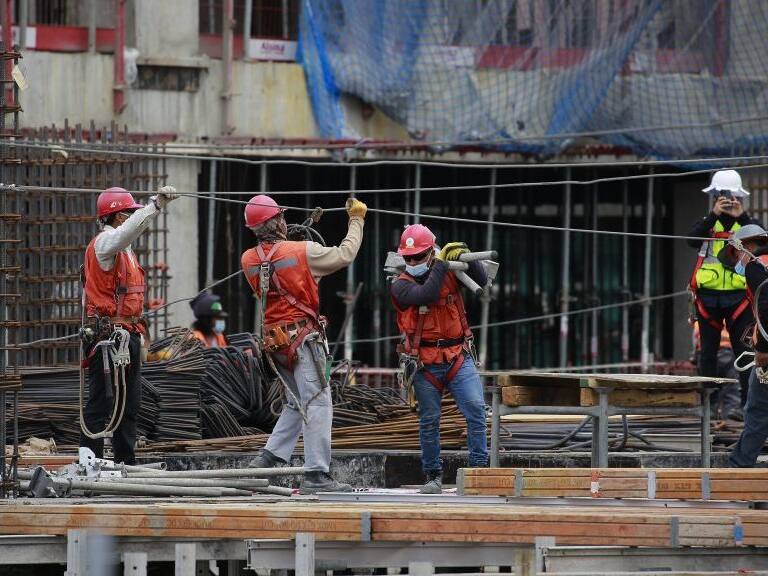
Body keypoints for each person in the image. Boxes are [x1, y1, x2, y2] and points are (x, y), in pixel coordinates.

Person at [241, 194, 366, 494]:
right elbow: (344, 254)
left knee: (297, 401)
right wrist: (357, 220)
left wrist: (290, 245)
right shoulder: (303, 251)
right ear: (278, 221)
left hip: (276, 344)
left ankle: (268, 456)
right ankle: (316, 474)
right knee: (318, 402)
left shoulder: (248, 259)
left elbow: (278, 266)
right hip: (303, 341)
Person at [80, 185, 178, 465]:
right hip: (107, 336)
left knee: (129, 403)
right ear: (118, 217)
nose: (132, 219)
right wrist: (154, 206)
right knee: (101, 402)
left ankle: (125, 462)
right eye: (129, 214)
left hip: (128, 335)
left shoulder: (127, 252)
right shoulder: (105, 243)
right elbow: (126, 234)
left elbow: (128, 235)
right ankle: (90, 462)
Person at [390, 224, 489, 494]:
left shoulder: (449, 272)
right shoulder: (401, 286)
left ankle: (478, 471)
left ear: (431, 253)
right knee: (429, 420)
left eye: (418, 257)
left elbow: (482, 281)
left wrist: (466, 255)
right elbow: (427, 294)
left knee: (476, 411)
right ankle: (433, 476)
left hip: (458, 355)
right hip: (424, 362)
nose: (412, 262)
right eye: (408, 258)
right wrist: (442, 264)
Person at [688, 170, 758, 406]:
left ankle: (747, 405)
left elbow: (762, 242)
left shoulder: (747, 225)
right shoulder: (708, 223)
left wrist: (743, 217)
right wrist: (713, 214)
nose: (730, 201)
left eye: (733, 196)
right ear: (716, 196)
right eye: (724, 196)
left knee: (744, 353)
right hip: (708, 298)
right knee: (708, 352)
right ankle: (708, 405)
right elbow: (691, 240)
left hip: (739, 298)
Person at [716, 224, 768, 467]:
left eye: (736, 254)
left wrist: (763, 350)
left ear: (745, 247)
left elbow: (766, 306)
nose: (737, 260)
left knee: (758, 409)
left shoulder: (757, 266)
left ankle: (739, 465)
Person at [691, 321, 743, 421]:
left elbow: (696, 340)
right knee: (731, 394)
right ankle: (729, 421)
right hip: (729, 355)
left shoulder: (702, 319)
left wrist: (694, 357)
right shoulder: (732, 318)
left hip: (708, 357)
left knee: (709, 393)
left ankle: (709, 420)